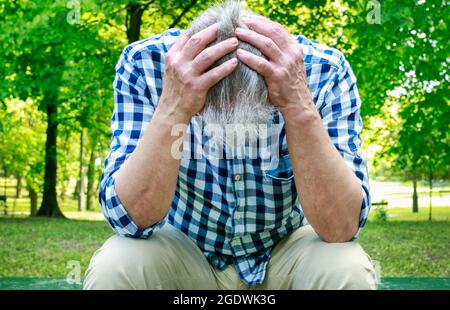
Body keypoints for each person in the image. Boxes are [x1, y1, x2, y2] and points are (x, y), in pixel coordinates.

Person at [84, 1, 377, 290]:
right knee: (116, 263)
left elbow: (342, 227)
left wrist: (297, 104)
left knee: (345, 267)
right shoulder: (145, 63)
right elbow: (128, 220)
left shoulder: (325, 71)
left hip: (284, 250)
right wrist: (174, 106)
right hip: (186, 250)